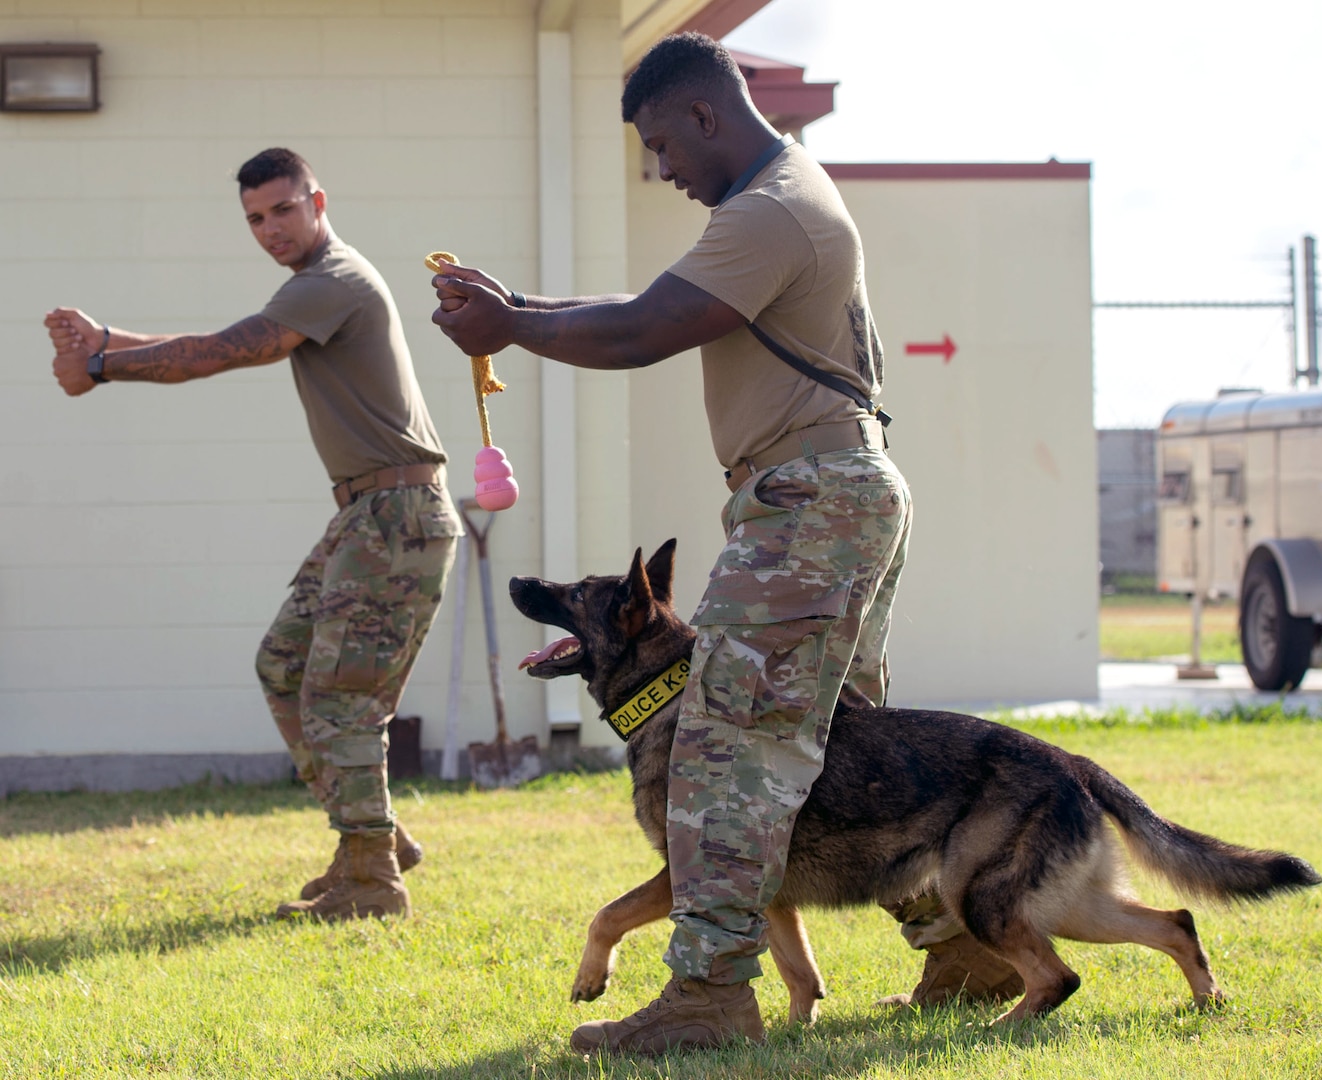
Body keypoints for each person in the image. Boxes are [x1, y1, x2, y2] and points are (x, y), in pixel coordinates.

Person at [430, 33, 1019, 1053]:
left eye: (664, 146)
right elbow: (636, 310)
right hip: (839, 488)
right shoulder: (784, 194)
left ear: (706, 115)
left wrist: (510, 331)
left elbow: (640, 330)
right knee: (841, 752)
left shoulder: (770, 208)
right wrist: (513, 310)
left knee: (722, 743)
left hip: (809, 501)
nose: (664, 172)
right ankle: (966, 951)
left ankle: (709, 993)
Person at [48, 147, 461, 922]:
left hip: (397, 518)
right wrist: (110, 339)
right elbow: (220, 340)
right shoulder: (310, 289)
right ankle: (369, 836)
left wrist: (101, 366)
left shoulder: (334, 280)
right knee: (283, 665)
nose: (269, 229)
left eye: (282, 210)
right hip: (366, 518)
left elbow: (222, 353)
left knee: (341, 699)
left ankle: (373, 880)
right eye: (254, 219)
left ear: (318, 201)